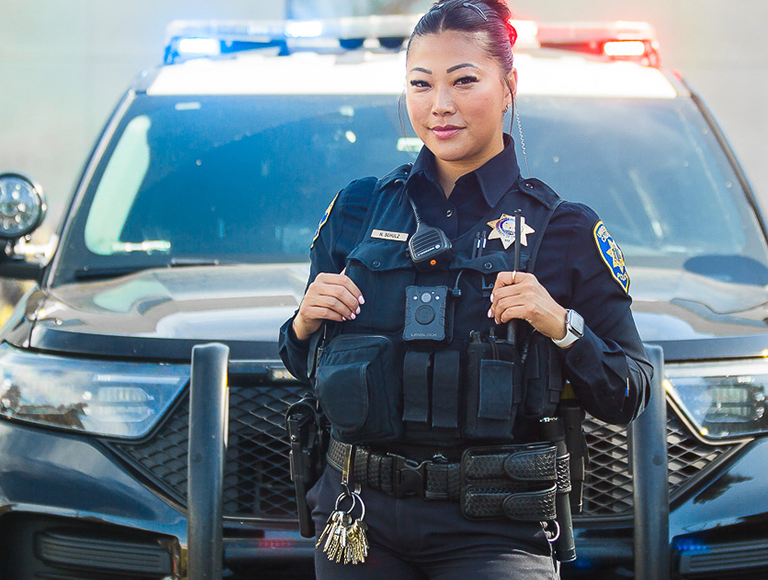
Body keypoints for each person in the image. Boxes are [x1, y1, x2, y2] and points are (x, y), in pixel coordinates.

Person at [278, 1, 653, 578]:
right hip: (360, 521)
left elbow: (628, 391)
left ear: (508, 88)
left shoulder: (566, 230)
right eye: (421, 84)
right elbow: (302, 362)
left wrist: (560, 324)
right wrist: (304, 325)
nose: (440, 105)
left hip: (497, 530)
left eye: (464, 81)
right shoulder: (358, 209)